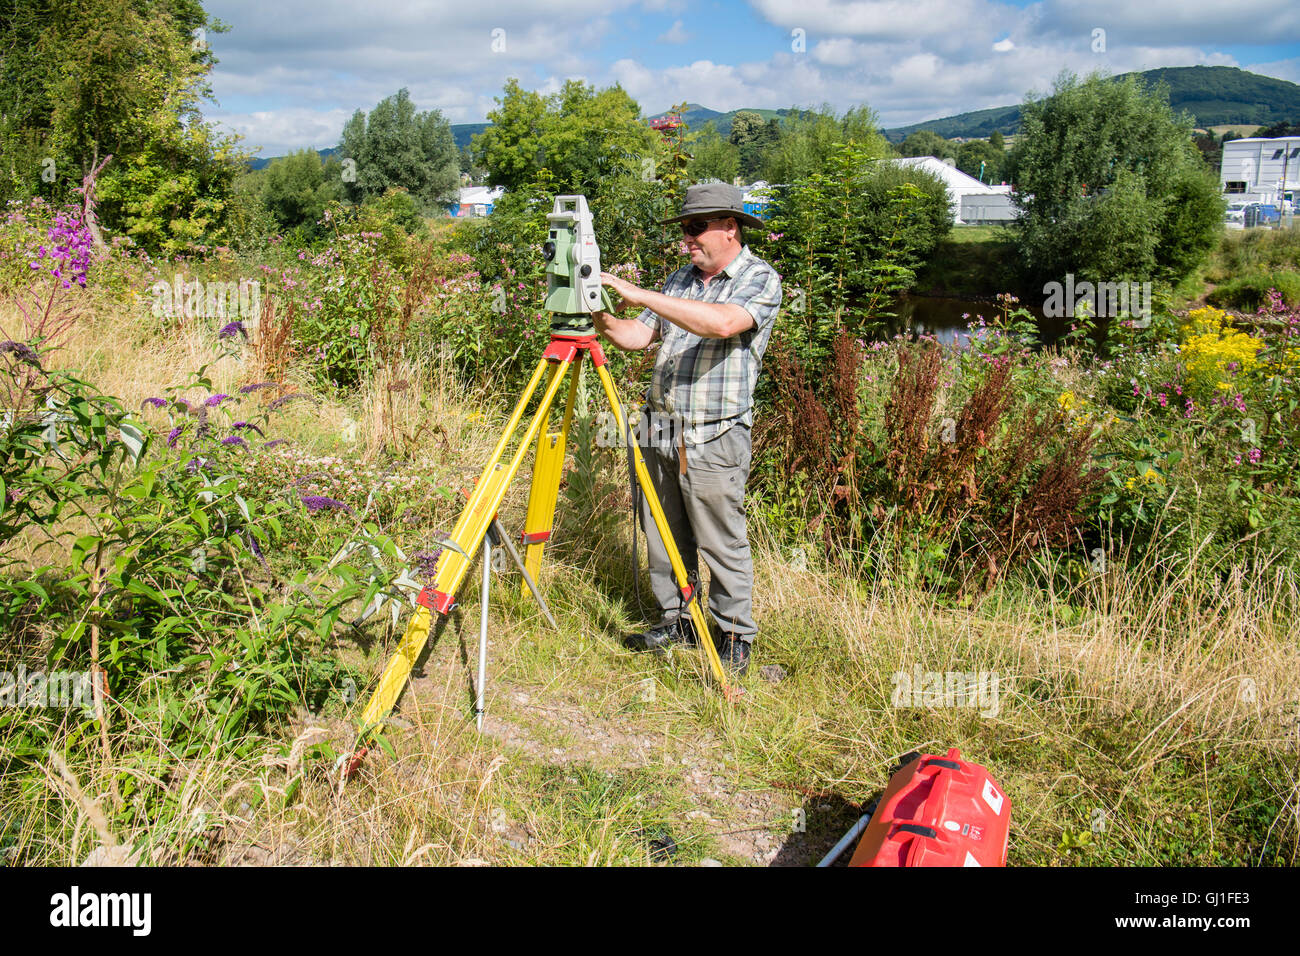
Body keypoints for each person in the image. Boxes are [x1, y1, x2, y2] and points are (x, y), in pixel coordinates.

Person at [595, 182, 782, 676]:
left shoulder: (759, 279)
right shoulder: (679, 279)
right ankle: (677, 618)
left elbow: (721, 324)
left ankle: (734, 634)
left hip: (713, 433)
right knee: (661, 530)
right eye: (684, 229)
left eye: (697, 228)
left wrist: (641, 292)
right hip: (658, 426)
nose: (689, 239)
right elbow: (637, 337)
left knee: (720, 539)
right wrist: (595, 310)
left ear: (730, 226)